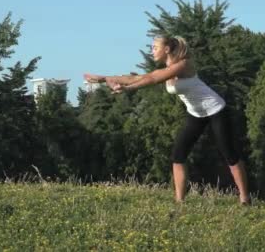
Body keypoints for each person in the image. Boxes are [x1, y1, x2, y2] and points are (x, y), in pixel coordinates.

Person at [84, 35, 250, 204]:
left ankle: (244, 198)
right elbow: (137, 77)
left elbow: (153, 79)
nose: (152, 51)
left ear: (167, 49)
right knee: (178, 155)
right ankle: (180, 201)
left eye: (155, 47)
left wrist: (128, 89)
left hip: (215, 109)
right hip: (195, 113)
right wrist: (104, 78)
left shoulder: (182, 65)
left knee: (229, 154)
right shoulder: (166, 68)